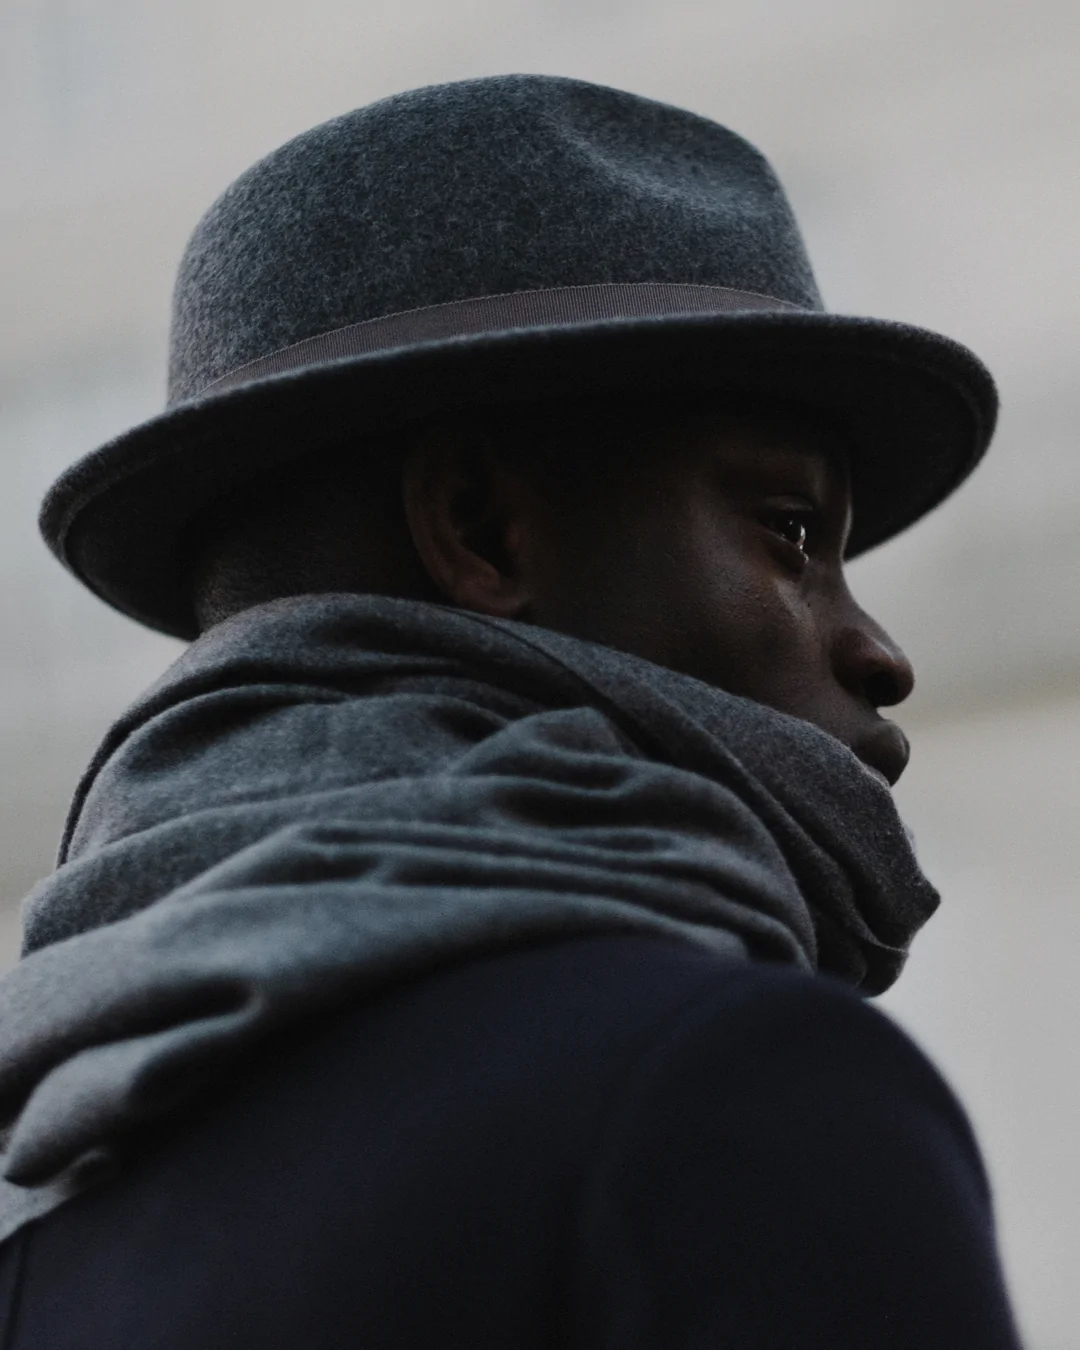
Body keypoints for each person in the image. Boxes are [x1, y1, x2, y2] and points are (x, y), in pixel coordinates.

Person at [0, 75, 1020, 1346]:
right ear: (482, 529)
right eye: (790, 531)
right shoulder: (729, 1090)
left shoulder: (45, 1205)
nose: (879, 651)